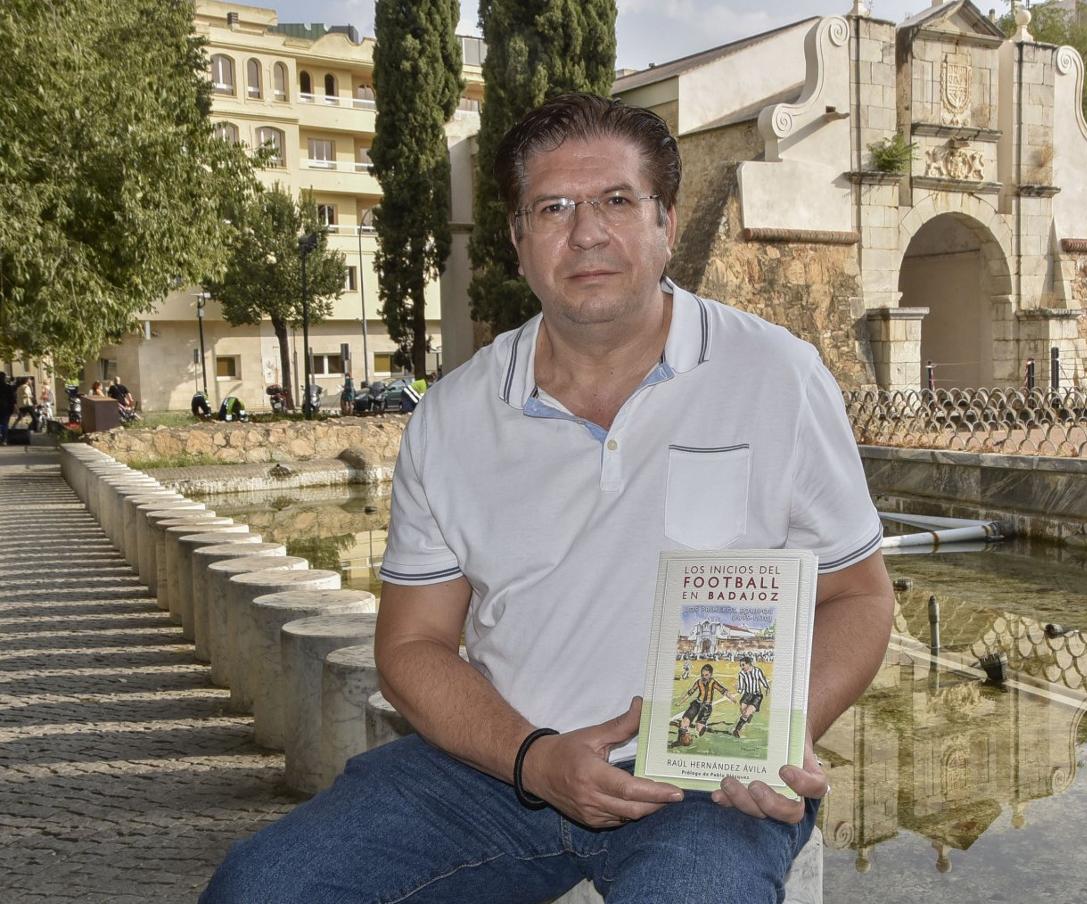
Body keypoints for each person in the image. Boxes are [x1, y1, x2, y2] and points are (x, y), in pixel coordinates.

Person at [202, 93, 893, 903]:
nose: (588, 232)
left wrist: (777, 737)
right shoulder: (453, 416)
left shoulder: (777, 376)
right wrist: (533, 757)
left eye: (616, 201)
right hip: (497, 770)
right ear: (518, 242)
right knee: (259, 890)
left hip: (707, 783)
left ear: (666, 223)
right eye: (554, 207)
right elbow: (412, 647)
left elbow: (858, 596)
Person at [676, 664, 737, 746]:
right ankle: (681, 739)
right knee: (684, 723)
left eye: (706, 675)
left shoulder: (713, 683)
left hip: (706, 707)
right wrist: (680, 702)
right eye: (702, 675)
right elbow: (690, 692)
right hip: (697, 704)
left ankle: (702, 727)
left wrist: (732, 698)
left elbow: (723, 691)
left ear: (711, 675)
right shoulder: (698, 682)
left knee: (698, 729)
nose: (704, 677)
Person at [732, 655, 770, 739]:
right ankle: (748, 716)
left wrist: (766, 687)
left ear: (748, 664)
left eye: (743, 665)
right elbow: (741, 688)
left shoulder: (757, 671)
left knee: (746, 713)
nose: (741, 667)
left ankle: (737, 730)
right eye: (740, 665)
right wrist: (738, 689)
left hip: (757, 696)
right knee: (743, 710)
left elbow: (763, 680)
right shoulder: (741, 674)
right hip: (747, 695)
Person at [0, 373, 13, 444]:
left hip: (5, 406)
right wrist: (12, 409)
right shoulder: (8, 387)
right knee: (4, 423)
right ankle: (4, 439)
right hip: (5, 407)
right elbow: (12, 399)